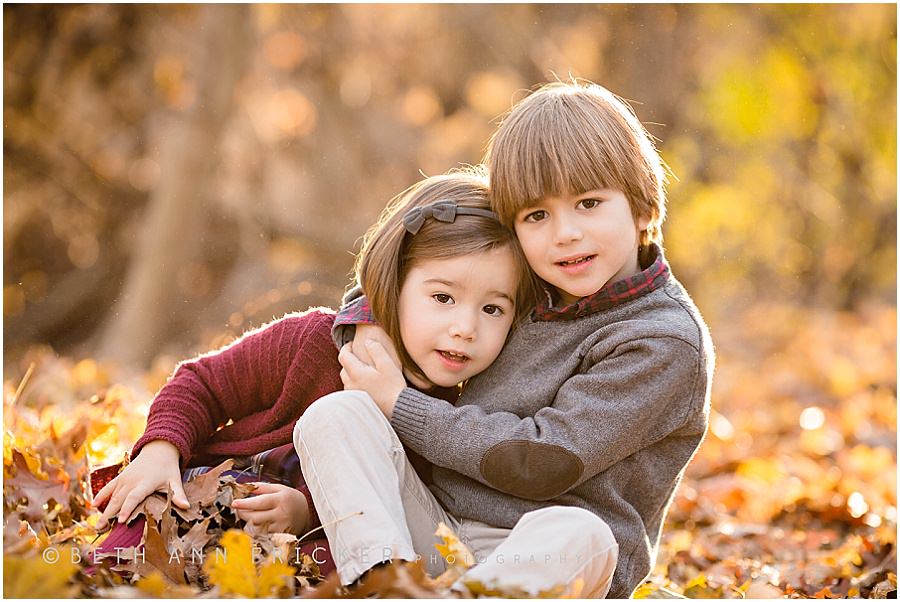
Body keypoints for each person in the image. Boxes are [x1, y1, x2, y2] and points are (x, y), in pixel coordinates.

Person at [300, 79, 714, 598]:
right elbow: (405, 267)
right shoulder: (531, 283)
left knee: (581, 532)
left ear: (641, 205)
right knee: (335, 416)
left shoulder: (662, 341)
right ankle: (385, 584)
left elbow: (544, 461)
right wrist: (370, 321)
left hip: (549, 564)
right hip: (440, 533)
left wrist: (402, 405)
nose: (564, 234)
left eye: (588, 203)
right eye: (536, 215)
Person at [90, 169, 537, 576]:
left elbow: (379, 512)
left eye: (493, 308)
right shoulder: (312, 340)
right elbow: (202, 384)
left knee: (325, 568)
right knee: (130, 545)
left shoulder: (450, 416)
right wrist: (161, 450)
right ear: (394, 284)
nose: (465, 328)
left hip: (297, 543)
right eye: (442, 298)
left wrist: (305, 511)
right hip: (210, 494)